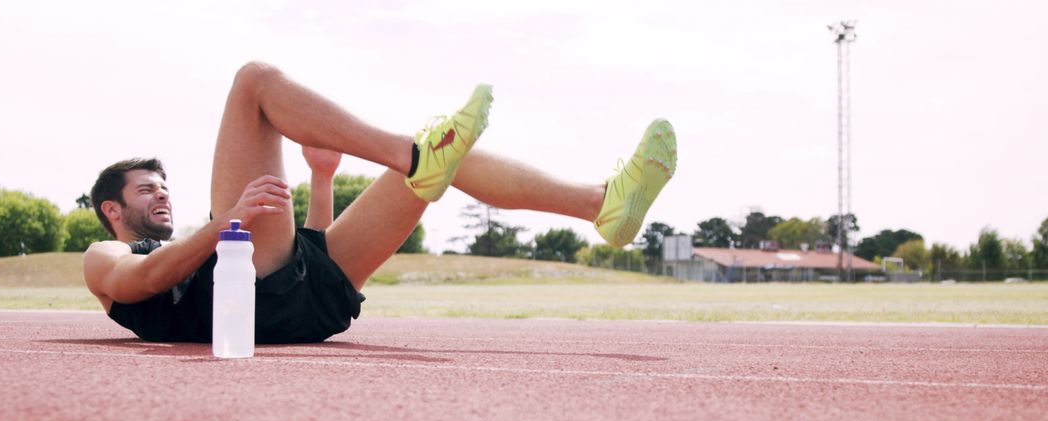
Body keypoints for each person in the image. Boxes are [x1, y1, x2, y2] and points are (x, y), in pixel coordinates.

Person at [83, 61, 678, 344]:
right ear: (112, 208)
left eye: (163, 185)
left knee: (445, 162)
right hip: (244, 312)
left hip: (309, 302)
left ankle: (603, 204)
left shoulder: (220, 238)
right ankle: (410, 152)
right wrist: (227, 223)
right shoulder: (103, 255)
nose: (162, 194)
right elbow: (151, 277)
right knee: (254, 82)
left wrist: (321, 183)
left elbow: (301, 257)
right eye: (145, 189)